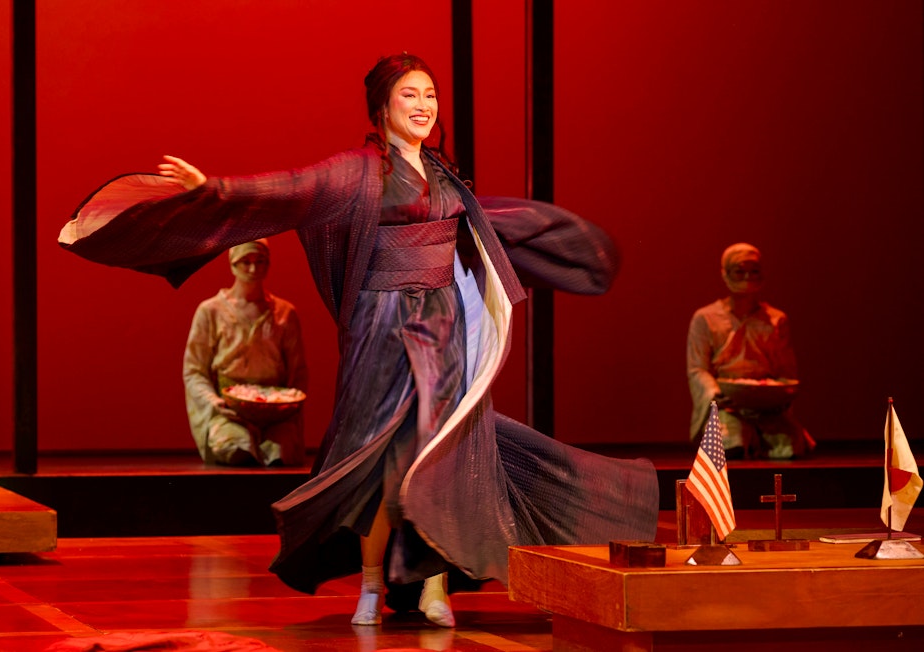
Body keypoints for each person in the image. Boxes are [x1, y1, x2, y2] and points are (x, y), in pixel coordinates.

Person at [59, 53, 659, 628]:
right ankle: (372, 580)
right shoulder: (357, 172)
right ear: (382, 107)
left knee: (444, 453)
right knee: (379, 460)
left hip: (442, 327)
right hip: (383, 324)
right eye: (410, 95)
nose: (424, 105)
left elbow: (480, 241)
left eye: (430, 95)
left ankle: (432, 585)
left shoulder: (446, 175)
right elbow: (285, 190)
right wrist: (211, 187)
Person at [183, 239, 308, 467]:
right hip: (229, 411)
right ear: (232, 264)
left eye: (260, 261)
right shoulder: (211, 311)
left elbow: (298, 372)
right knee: (234, 448)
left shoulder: (284, 313)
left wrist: (288, 405)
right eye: (245, 262)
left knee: (280, 454)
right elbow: (194, 371)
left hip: (275, 413)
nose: (253, 269)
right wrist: (214, 402)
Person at [687, 242, 815, 459]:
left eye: (753, 271)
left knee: (790, 448)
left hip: (766, 405)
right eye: (739, 271)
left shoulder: (776, 319)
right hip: (728, 403)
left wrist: (780, 395)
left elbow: (785, 371)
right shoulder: (706, 318)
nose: (747, 277)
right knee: (730, 445)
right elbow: (697, 368)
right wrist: (716, 394)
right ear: (726, 273)